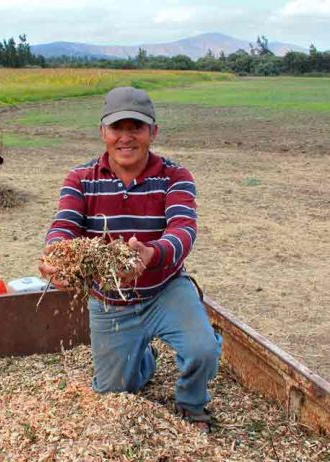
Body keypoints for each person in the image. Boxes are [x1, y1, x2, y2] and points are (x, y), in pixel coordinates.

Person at [39, 86, 222, 432]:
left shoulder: (175, 176)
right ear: (102, 133)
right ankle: (143, 361)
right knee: (113, 393)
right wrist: (56, 254)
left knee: (202, 350)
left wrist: (153, 254)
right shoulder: (81, 179)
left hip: (164, 288)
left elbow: (184, 230)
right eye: (116, 128)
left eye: (135, 128)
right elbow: (64, 224)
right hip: (111, 301)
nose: (125, 138)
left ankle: (191, 403)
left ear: (153, 132)